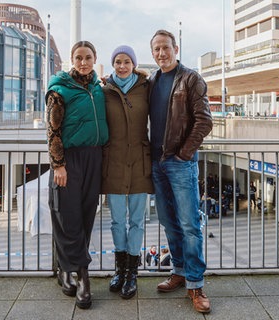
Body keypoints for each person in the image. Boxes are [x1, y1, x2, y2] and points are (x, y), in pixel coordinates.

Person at [149, 29, 213, 314]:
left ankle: (196, 284)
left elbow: (204, 121)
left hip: (180, 162)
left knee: (189, 224)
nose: (161, 53)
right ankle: (178, 271)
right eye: (156, 49)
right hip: (157, 162)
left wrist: (184, 153)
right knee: (167, 220)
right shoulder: (151, 81)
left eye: (165, 48)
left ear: (175, 48)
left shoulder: (190, 79)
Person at [45, 40, 108, 309]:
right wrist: (58, 164)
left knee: (85, 215)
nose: (84, 62)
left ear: (95, 59)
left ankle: (65, 268)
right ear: (72, 59)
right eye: (79, 57)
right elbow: (52, 130)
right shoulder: (59, 90)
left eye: (88, 57)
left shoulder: (98, 87)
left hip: (94, 156)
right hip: (69, 160)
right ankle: (82, 276)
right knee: (66, 215)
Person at [102, 45, 154, 299]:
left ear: (133, 63)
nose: (122, 66)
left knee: (136, 221)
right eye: (117, 62)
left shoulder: (146, 88)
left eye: (126, 61)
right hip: (114, 163)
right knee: (116, 221)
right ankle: (120, 269)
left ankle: (132, 272)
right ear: (113, 65)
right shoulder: (104, 90)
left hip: (140, 163)